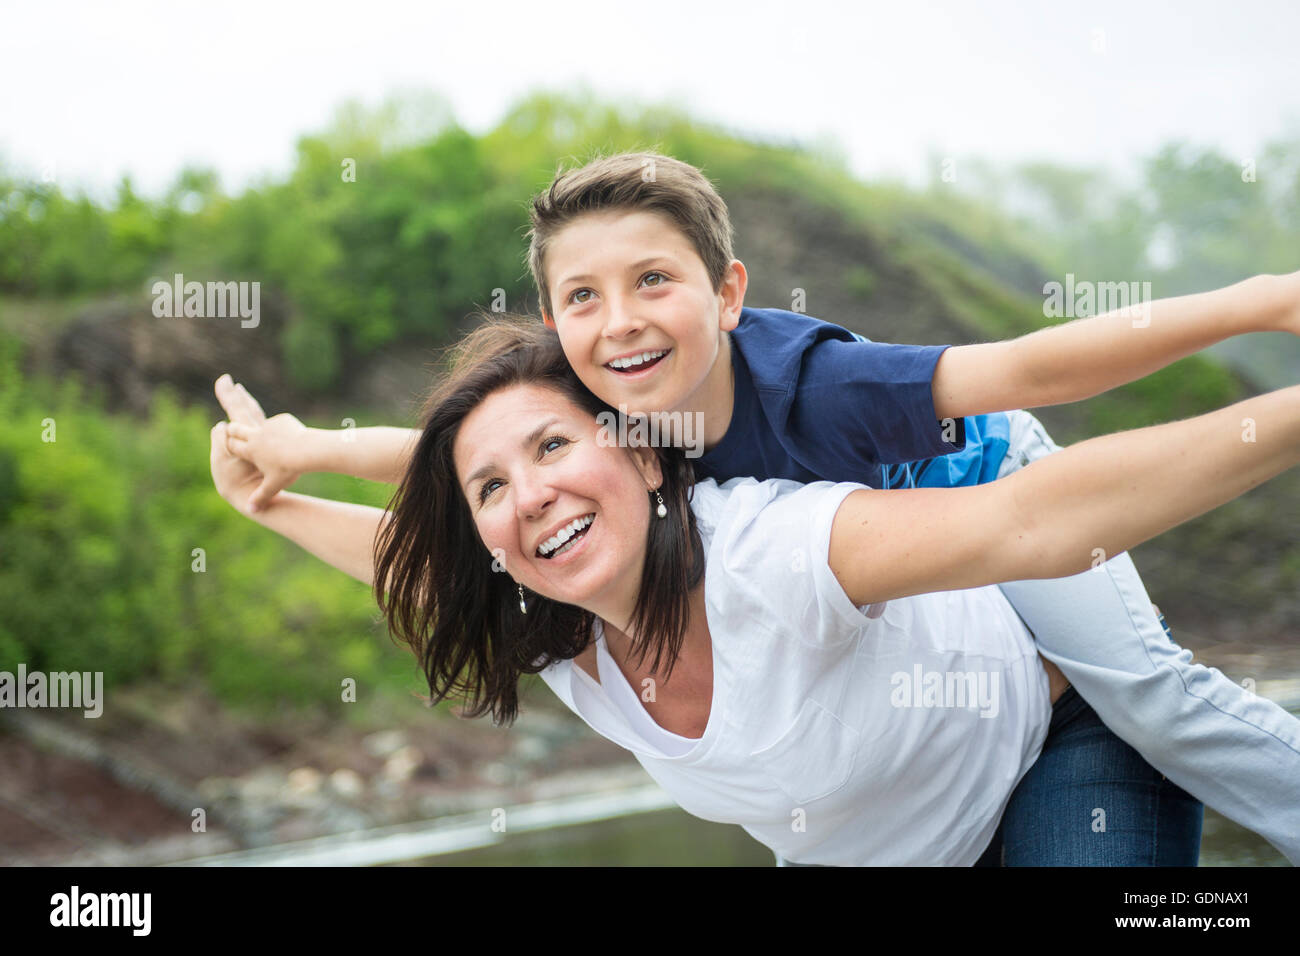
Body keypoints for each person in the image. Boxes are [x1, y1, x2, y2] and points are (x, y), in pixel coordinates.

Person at [217, 150, 1300, 864]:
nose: (622, 320)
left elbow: (1030, 373)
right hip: (890, 593)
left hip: (977, 479)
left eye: (655, 281)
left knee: (1149, 699)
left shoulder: (817, 390)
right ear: (552, 322)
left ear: (729, 294)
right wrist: (296, 458)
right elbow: (450, 482)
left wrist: (1260, 304)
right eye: (583, 298)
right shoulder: (598, 439)